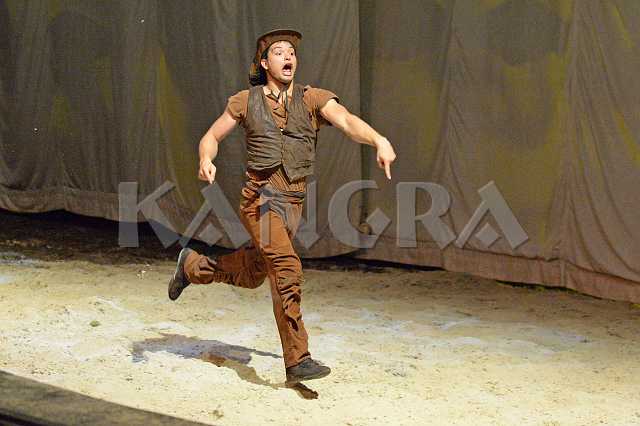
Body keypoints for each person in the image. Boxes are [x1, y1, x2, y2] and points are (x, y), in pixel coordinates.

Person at [168, 29, 396, 384]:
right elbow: (212, 136)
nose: (288, 56)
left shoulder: (312, 98)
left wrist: (379, 140)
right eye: (278, 52)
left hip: (292, 204)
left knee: (253, 272)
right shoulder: (246, 101)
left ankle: (193, 266)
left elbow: (347, 121)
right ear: (264, 63)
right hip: (259, 200)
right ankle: (297, 359)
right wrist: (205, 159)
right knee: (287, 269)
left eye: (291, 52)